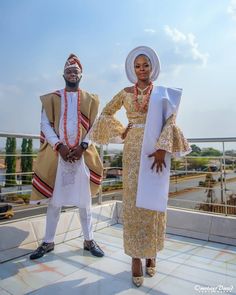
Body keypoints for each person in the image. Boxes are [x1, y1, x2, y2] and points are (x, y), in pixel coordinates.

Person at [91, 46, 191, 286]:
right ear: (132, 69)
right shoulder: (125, 92)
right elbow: (105, 114)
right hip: (134, 149)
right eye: (137, 66)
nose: (142, 69)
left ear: (152, 67)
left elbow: (171, 119)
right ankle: (135, 258)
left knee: (154, 201)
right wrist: (121, 130)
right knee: (134, 201)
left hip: (156, 149)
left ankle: (152, 253)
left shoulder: (162, 92)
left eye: (145, 65)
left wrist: (162, 148)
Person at [29, 53, 104, 259]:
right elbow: (45, 124)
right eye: (69, 71)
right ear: (63, 75)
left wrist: (83, 146)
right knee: (54, 201)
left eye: (76, 71)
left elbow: (95, 126)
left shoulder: (91, 99)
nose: (72, 74)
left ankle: (89, 240)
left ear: (82, 75)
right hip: (58, 156)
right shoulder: (53, 98)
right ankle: (48, 242)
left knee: (85, 201)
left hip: (82, 156)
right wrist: (59, 145)